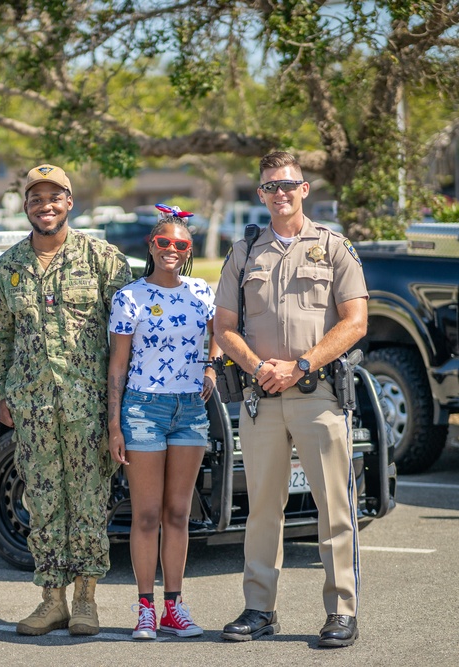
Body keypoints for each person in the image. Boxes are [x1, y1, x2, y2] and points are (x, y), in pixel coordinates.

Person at [215, 152, 368, 648]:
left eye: (287, 185)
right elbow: (225, 328)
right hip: (261, 397)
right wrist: (259, 368)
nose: (279, 194)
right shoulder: (245, 252)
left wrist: (301, 365)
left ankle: (342, 611)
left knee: (334, 508)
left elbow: (354, 322)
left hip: (316, 394)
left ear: (305, 189)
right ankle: (259, 609)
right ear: (260, 194)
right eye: (269, 188)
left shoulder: (333, 247)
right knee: (261, 509)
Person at [0, 164, 132, 636]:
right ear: (25, 206)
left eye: (54, 197)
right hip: (33, 408)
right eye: (35, 198)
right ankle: (52, 600)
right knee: (42, 501)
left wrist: (118, 405)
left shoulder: (104, 260)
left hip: (89, 406)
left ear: (69, 202)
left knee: (89, 501)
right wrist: (1, 392)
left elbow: (126, 335)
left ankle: (86, 599)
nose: (45, 206)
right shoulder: (6, 269)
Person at [107, 205, 220, 640]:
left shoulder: (201, 292)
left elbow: (219, 337)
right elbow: (118, 365)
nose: (171, 250)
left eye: (180, 244)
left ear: (188, 250)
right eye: (163, 242)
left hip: (190, 409)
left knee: (179, 512)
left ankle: (174, 606)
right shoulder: (129, 296)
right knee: (147, 514)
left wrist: (211, 369)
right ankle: (145, 610)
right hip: (143, 409)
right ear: (151, 246)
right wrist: (115, 425)